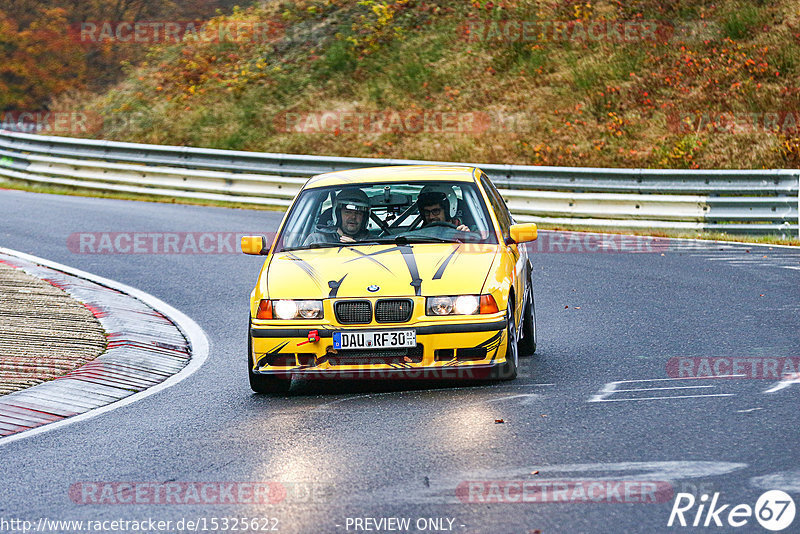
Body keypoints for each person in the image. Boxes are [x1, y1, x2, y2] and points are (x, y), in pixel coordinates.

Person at [304, 188, 372, 245]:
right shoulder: (317, 240)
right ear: (338, 215)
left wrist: (356, 247)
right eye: (348, 212)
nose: (353, 217)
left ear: (364, 218)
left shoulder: (374, 243)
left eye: (358, 213)